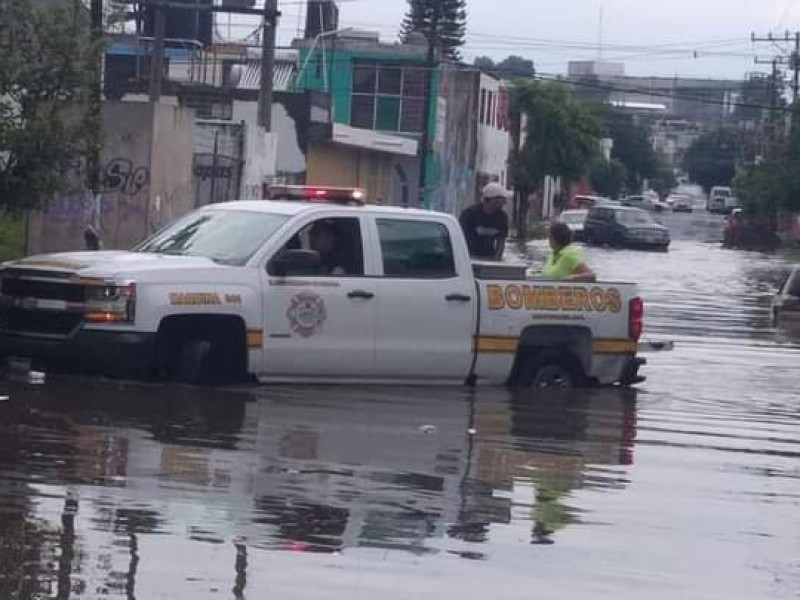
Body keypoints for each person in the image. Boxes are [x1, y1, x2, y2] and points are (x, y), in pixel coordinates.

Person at [459, 182, 510, 260]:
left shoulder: (502, 217)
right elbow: (461, 239)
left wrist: (496, 260)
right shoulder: (469, 214)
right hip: (469, 256)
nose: (503, 204)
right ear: (489, 200)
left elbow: (501, 242)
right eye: (500, 201)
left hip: (489, 257)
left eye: (503, 201)